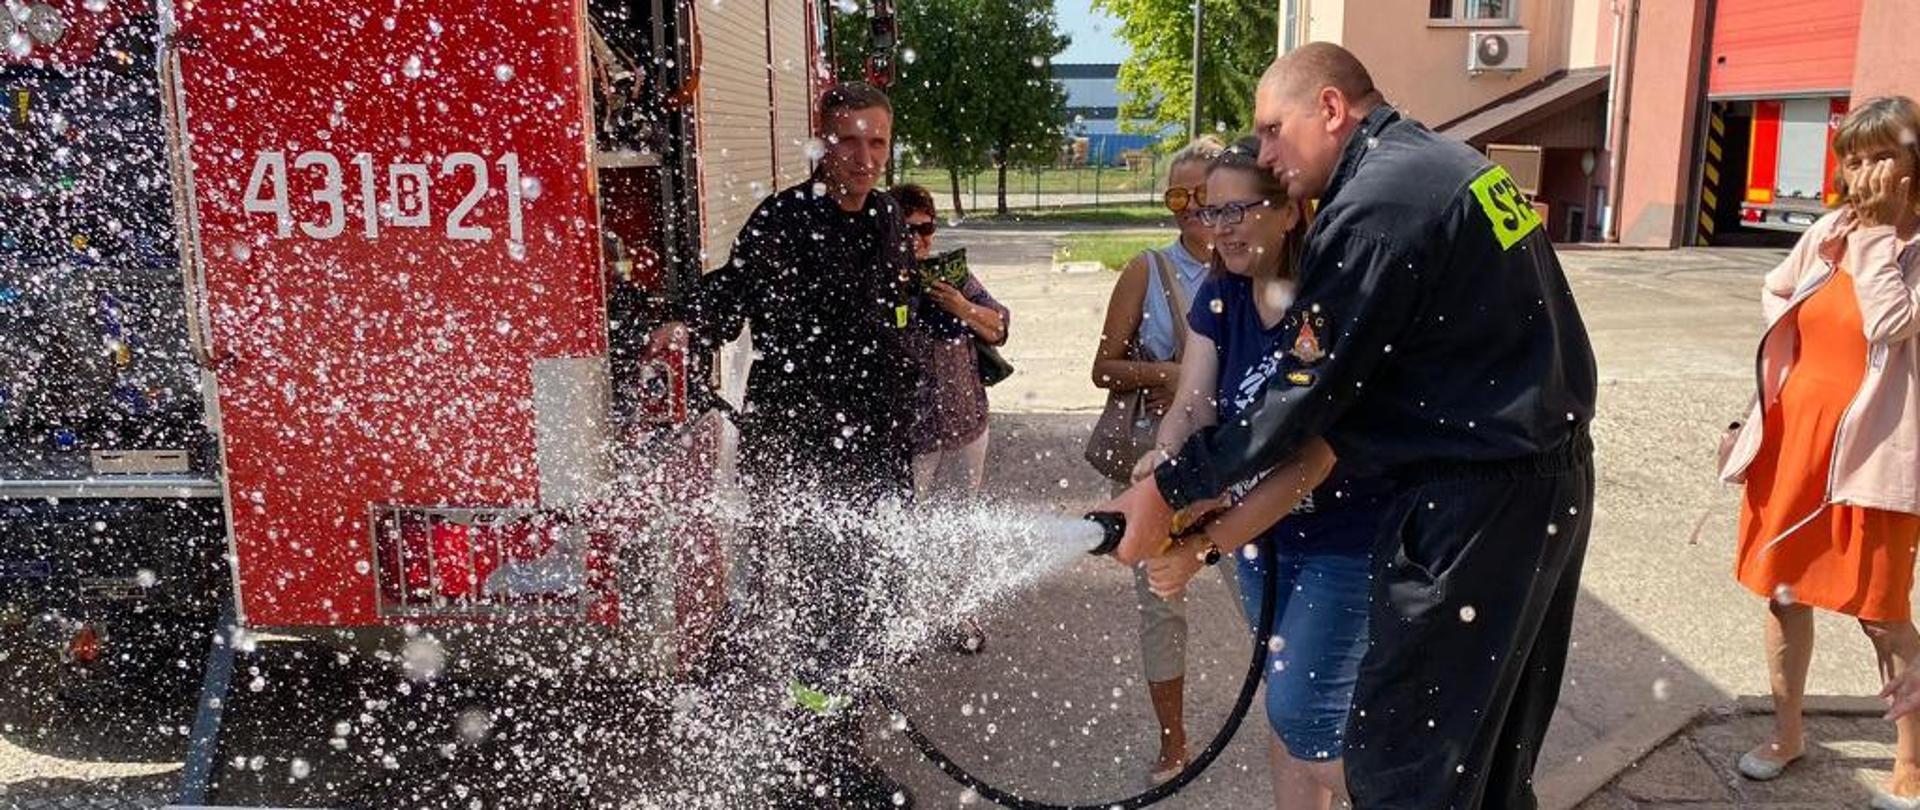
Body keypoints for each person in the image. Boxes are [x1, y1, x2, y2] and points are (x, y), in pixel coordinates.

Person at [1096, 43, 1598, 809]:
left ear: (1331, 109)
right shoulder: (1448, 167)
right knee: (1487, 755)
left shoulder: (1378, 205)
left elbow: (1303, 395)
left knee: (1406, 762)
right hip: (1544, 479)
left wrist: (1171, 490)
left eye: (1271, 130)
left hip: (1472, 502)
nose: (1263, 152)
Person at [659, 81, 918, 808]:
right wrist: (686, 324)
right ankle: (816, 763)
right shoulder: (784, 219)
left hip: (873, 449)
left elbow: (893, 321)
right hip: (802, 447)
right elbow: (731, 292)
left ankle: (828, 746)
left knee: (862, 602)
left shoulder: (890, 215)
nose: (864, 158)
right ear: (822, 142)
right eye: (849, 141)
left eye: (877, 142)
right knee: (820, 609)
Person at [1135, 137, 1391, 809]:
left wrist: (1201, 546)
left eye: (1239, 211)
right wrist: (1163, 469)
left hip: (1344, 538)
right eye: (1209, 213)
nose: (1219, 230)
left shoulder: (1327, 299)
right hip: (1262, 542)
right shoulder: (1222, 292)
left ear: (1290, 211)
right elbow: (1191, 401)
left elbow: (1312, 459)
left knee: (1306, 710)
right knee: (1286, 697)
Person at [1719, 96, 1920, 807]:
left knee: (1882, 611)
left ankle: (1911, 754)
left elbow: (1893, 321)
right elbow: (1777, 294)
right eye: (1855, 158)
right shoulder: (1831, 230)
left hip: (1872, 451)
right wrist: (1768, 391)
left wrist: (1881, 236)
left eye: (1882, 155)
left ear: (1913, 164)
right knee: (1782, 593)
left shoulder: (1901, 244)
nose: (1865, 172)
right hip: (1794, 441)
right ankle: (1789, 732)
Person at [1088, 135, 1227, 783]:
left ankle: (1303, 730)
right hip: (1159, 464)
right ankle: (1174, 745)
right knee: (1162, 605)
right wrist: (1168, 372)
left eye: (1203, 195)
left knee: (1263, 594)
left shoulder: (1259, 269)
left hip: (1240, 464)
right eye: (1178, 196)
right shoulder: (1147, 270)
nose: (1190, 210)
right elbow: (1103, 367)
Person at [894, 182, 1009, 654]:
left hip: (965, 422)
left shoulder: (956, 276)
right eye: (909, 231)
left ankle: (959, 613)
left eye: (927, 229)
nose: (920, 240)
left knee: (961, 524)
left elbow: (1000, 327)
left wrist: (960, 306)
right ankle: (905, 622)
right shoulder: (879, 281)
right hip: (909, 433)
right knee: (906, 529)